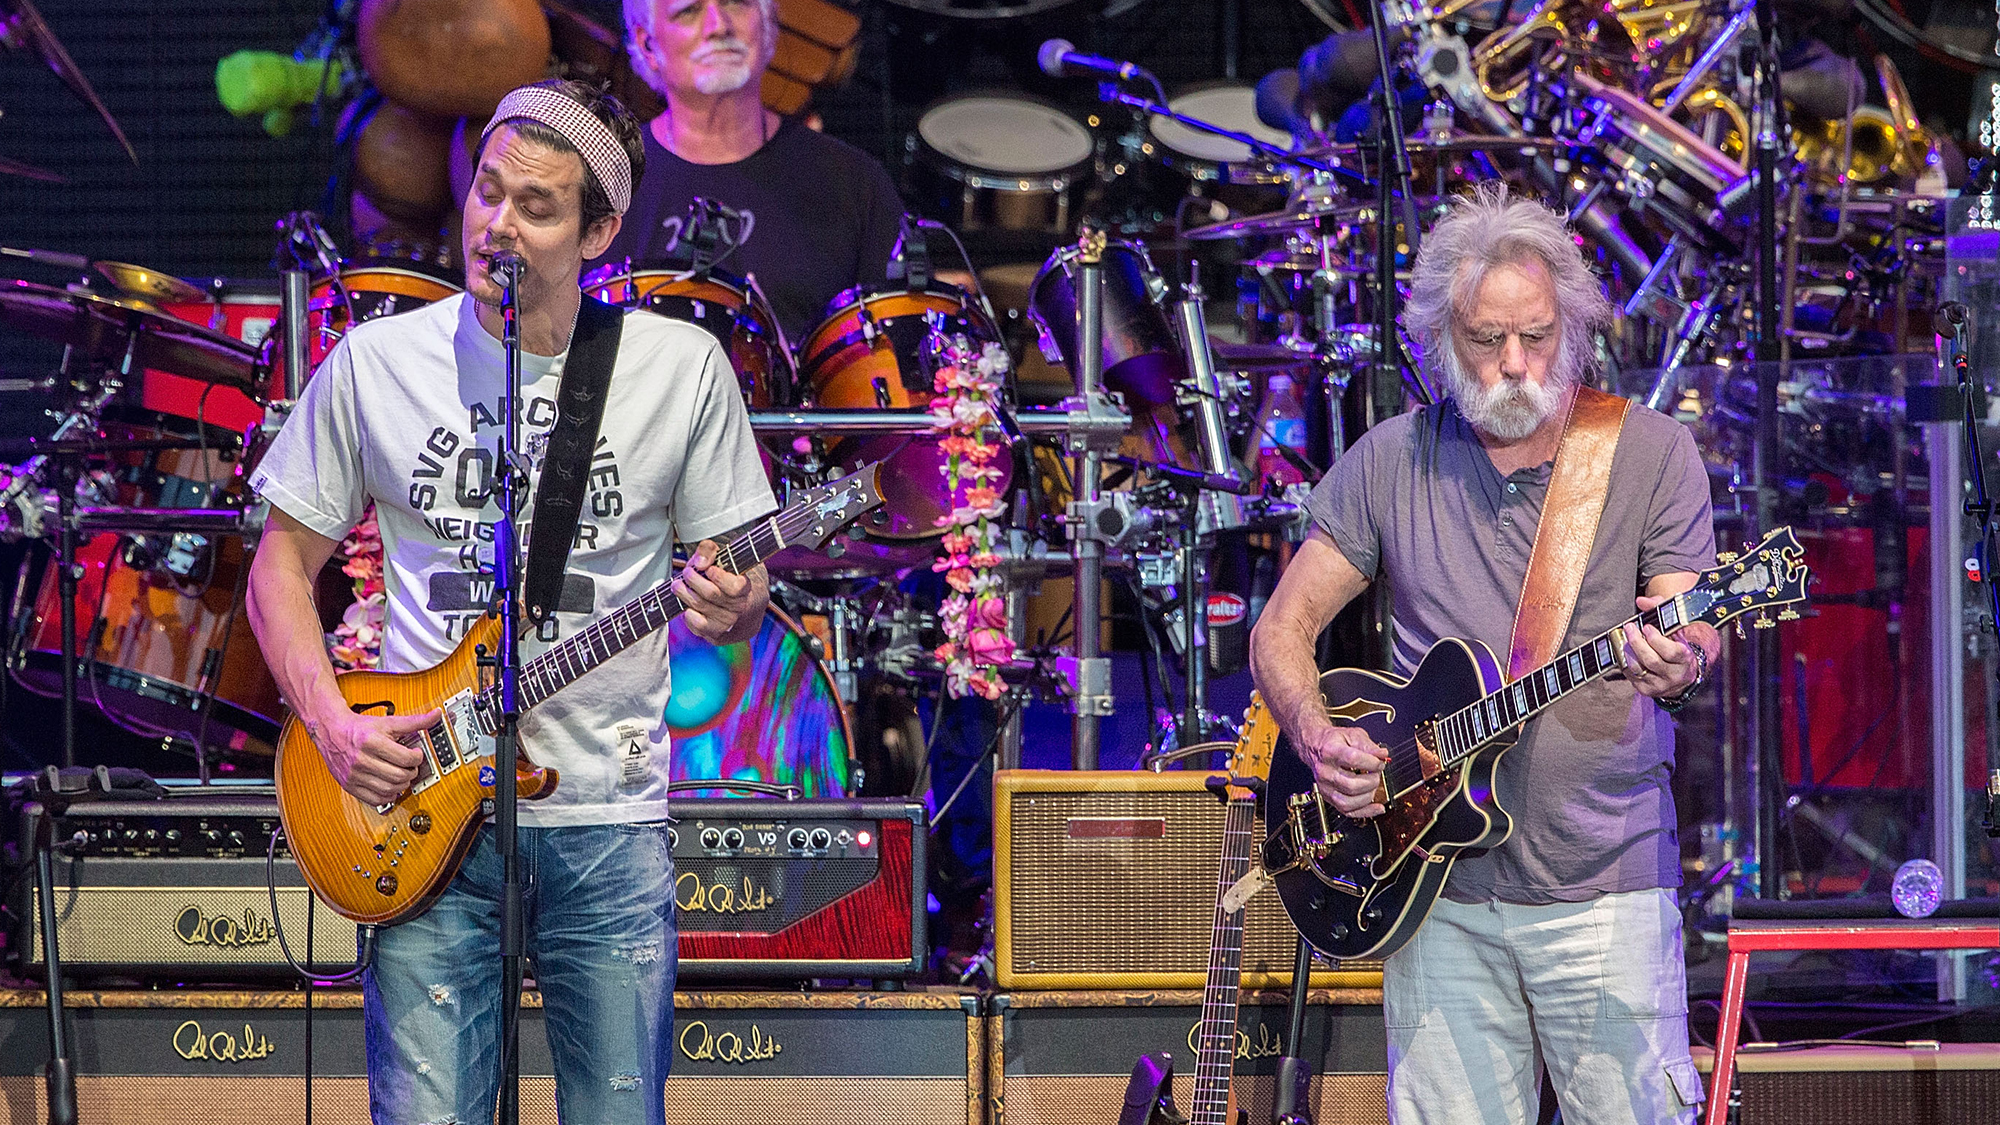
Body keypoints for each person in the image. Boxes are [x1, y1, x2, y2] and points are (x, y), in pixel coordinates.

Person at [245, 78, 775, 1124]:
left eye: (537, 206)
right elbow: (277, 570)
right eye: (489, 190)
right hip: (418, 814)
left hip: (606, 819)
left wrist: (735, 602)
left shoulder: (679, 369)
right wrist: (333, 726)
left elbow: (738, 577)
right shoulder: (377, 363)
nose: (498, 222)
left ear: (600, 232)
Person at [1246, 183, 1720, 1125]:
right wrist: (1314, 733)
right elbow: (1280, 629)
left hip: (1603, 882)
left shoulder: (1652, 453)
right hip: (1433, 889)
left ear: (1575, 329)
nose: (1513, 364)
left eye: (1536, 337)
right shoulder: (1390, 460)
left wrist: (1686, 655)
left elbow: (1689, 620)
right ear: (1437, 337)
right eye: (1484, 338)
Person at [604, 0, 908, 344]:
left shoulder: (855, 183)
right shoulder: (606, 183)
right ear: (648, 45)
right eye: (689, 11)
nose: (719, 26)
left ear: (769, 27)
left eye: (737, 3)